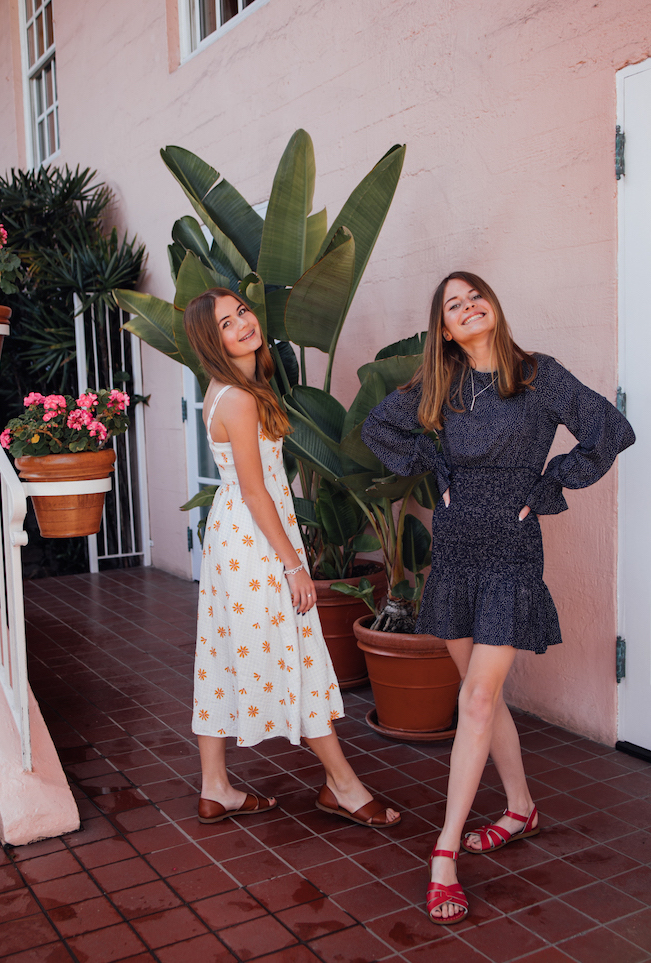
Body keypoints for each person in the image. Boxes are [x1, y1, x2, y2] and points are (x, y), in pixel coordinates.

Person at [361, 271, 635, 924]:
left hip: (512, 550)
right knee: (482, 692)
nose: (467, 305)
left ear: (493, 306)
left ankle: (444, 853)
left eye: (474, 294)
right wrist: (438, 466)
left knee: (477, 698)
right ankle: (519, 808)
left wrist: (544, 488)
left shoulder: (540, 375)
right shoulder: (443, 383)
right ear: (446, 330)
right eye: (453, 304)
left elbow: (609, 429)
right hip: (455, 547)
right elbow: (379, 428)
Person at [185, 288, 400, 829]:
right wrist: (293, 564)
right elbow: (258, 491)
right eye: (226, 323)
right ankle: (343, 786)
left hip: (233, 536)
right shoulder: (237, 398)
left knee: (221, 651)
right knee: (296, 655)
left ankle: (216, 786)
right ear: (212, 340)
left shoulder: (227, 390)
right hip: (255, 542)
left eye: (242, 312)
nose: (242, 324)